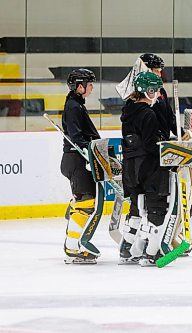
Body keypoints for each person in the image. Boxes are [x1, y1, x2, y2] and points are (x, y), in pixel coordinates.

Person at [119, 71, 167, 266]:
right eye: (154, 90)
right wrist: (166, 147)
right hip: (147, 167)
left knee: (137, 208)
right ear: (146, 91)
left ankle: (127, 248)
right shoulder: (148, 113)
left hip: (130, 167)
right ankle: (151, 252)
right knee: (155, 207)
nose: (156, 94)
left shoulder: (128, 110)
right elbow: (150, 144)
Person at [60, 68, 103, 264]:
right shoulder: (73, 107)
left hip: (76, 160)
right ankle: (72, 247)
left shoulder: (76, 104)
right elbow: (77, 137)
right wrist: (92, 148)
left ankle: (73, 214)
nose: (92, 87)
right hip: (77, 161)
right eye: (89, 84)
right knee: (86, 203)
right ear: (79, 86)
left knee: (84, 200)